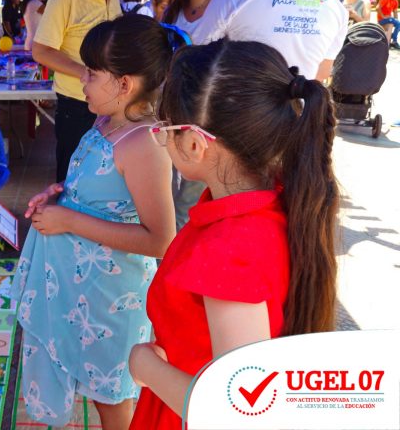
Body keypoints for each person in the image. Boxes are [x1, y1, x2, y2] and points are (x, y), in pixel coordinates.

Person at [128, 39, 339, 429]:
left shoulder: (228, 250)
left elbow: (237, 411)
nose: (161, 138)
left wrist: (145, 367)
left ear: (194, 143)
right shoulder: (273, 202)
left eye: (165, 129)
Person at [13, 15, 178, 429]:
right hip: (80, 289)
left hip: (112, 298)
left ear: (124, 84)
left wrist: (69, 220)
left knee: (110, 396)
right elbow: (97, 192)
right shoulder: (105, 121)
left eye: (91, 72)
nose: (82, 80)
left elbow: (160, 239)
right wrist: (59, 194)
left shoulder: (144, 143)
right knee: (85, 374)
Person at [162, 0, 246, 231]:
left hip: (206, 120)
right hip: (172, 113)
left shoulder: (231, 7)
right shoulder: (173, 10)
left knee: (190, 199)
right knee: (167, 192)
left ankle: (179, 243)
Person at [32, 0, 122, 183]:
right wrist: (88, 73)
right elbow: (41, 51)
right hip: (77, 105)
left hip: (112, 105)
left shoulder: (113, 0)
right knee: (72, 177)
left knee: (103, 175)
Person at [223, 0, 349, 81]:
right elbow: (322, 73)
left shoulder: (232, 1)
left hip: (237, 101)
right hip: (297, 105)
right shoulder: (337, 9)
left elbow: (209, 47)